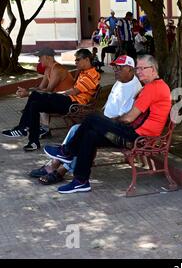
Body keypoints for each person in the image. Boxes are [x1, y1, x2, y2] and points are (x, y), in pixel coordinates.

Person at [44, 55, 171, 194]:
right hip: (135, 134)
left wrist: (109, 123)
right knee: (90, 135)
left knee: (93, 118)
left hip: (138, 138)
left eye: (142, 68)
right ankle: (81, 181)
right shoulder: (154, 86)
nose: (138, 71)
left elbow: (129, 118)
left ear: (152, 69)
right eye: (137, 68)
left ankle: (67, 151)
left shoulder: (153, 88)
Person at [30, 55, 142, 185]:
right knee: (77, 129)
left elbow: (124, 118)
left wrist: (100, 122)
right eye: (115, 67)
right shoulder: (120, 81)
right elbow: (109, 106)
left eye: (119, 68)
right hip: (105, 123)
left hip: (114, 129)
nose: (115, 71)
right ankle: (57, 164)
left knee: (83, 133)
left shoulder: (135, 88)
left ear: (130, 69)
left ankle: (59, 169)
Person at [2, 49, 100, 151]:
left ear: (87, 59)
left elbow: (74, 92)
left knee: (35, 96)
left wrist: (57, 94)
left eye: (78, 60)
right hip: (67, 101)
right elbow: (42, 88)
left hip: (73, 103)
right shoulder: (83, 72)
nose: (75, 62)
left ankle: (23, 127)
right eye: (75, 60)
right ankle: (33, 141)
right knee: (34, 104)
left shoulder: (92, 74)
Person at [16, 47, 75, 138]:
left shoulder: (57, 69)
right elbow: (41, 87)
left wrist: (29, 93)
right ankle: (34, 126)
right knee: (38, 98)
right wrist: (28, 90)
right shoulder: (48, 69)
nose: (39, 60)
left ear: (48, 57)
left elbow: (48, 90)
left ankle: (39, 127)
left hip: (67, 102)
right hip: (56, 99)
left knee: (40, 99)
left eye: (40, 57)